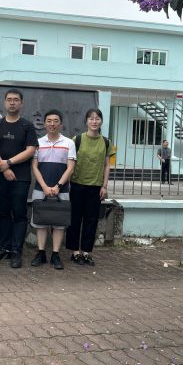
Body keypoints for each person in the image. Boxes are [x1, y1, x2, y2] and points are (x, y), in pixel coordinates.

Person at [0, 88, 38, 268]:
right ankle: (5, 247)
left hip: (21, 178)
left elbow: (30, 150)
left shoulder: (27, 126)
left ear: (21, 103)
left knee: (19, 214)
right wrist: (3, 168)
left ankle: (17, 251)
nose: (12, 102)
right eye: (9, 99)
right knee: (3, 213)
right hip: (0, 177)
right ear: (4, 102)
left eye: (16, 99)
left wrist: (8, 163)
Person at [66, 108, 115, 266]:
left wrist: (104, 186)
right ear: (86, 121)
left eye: (97, 118)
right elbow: (70, 162)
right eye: (91, 118)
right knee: (75, 219)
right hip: (77, 185)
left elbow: (107, 165)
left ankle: (86, 252)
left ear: (101, 121)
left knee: (91, 220)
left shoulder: (106, 142)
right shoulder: (77, 139)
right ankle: (75, 252)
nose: (94, 121)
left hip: (95, 187)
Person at [30, 110, 76, 270]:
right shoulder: (38, 142)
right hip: (40, 188)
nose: (52, 124)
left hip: (62, 190)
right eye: (49, 121)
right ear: (44, 124)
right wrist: (44, 186)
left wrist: (58, 186)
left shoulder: (69, 143)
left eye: (56, 121)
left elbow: (70, 168)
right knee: (40, 222)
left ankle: (55, 254)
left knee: (59, 223)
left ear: (61, 124)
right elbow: (34, 167)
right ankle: (41, 253)